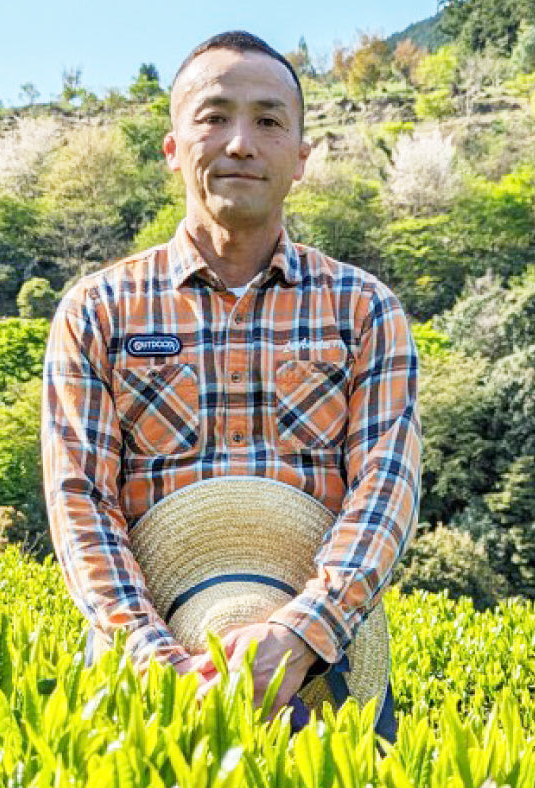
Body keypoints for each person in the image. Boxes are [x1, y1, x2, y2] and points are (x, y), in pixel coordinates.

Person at [40, 30, 420, 739]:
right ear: (173, 147)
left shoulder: (364, 309)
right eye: (214, 117)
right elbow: (80, 500)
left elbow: (386, 490)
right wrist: (153, 658)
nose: (241, 143)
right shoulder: (98, 310)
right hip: (141, 662)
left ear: (300, 157)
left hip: (328, 662)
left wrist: (301, 635)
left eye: (269, 121)